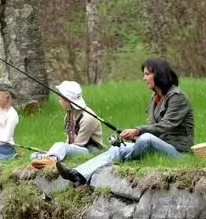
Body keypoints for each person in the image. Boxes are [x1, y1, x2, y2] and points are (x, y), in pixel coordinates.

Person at [56, 58, 194, 186]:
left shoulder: (177, 97)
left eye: (147, 74)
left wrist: (138, 131)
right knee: (117, 148)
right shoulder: (155, 97)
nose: (144, 78)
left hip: (177, 152)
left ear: (159, 74)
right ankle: (78, 174)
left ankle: (125, 161)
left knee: (146, 139)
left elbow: (166, 125)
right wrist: (134, 137)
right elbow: (153, 128)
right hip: (159, 146)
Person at [30, 81, 104, 169]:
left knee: (61, 146)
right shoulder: (69, 115)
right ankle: (52, 157)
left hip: (92, 151)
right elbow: (69, 141)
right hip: (77, 148)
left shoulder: (88, 118)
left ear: (67, 100)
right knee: (34, 155)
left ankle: (52, 159)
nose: (59, 100)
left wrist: (63, 149)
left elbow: (78, 144)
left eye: (60, 97)